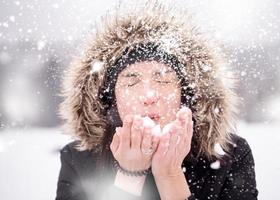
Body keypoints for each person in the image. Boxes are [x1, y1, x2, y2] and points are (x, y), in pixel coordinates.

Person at [55, 2, 258, 200]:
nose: (149, 95)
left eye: (163, 79)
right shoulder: (79, 159)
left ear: (185, 94)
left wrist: (169, 175)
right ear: (110, 98)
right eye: (131, 82)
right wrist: (129, 175)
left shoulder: (228, 156)